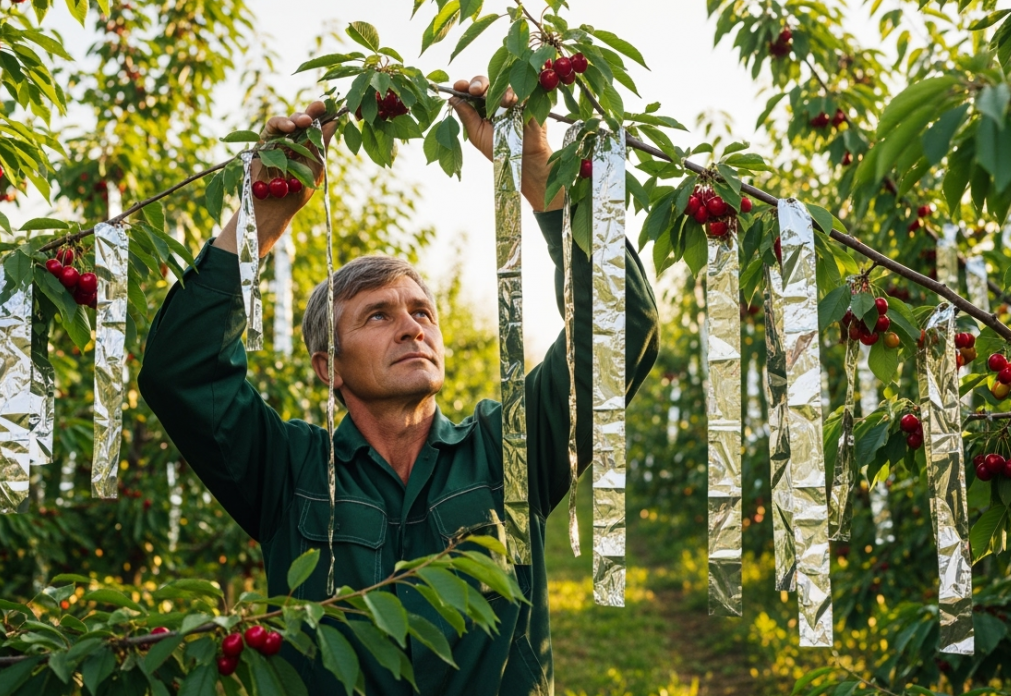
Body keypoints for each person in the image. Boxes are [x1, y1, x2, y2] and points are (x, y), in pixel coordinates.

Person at [137, 75, 660, 695]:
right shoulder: (289, 472)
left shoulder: (508, 451)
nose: (411, 327)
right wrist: (259, 220)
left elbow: (619, 328)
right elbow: (181, 370)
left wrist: (540, 173)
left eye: (422, 311)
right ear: (328, 366)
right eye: (378, 316)